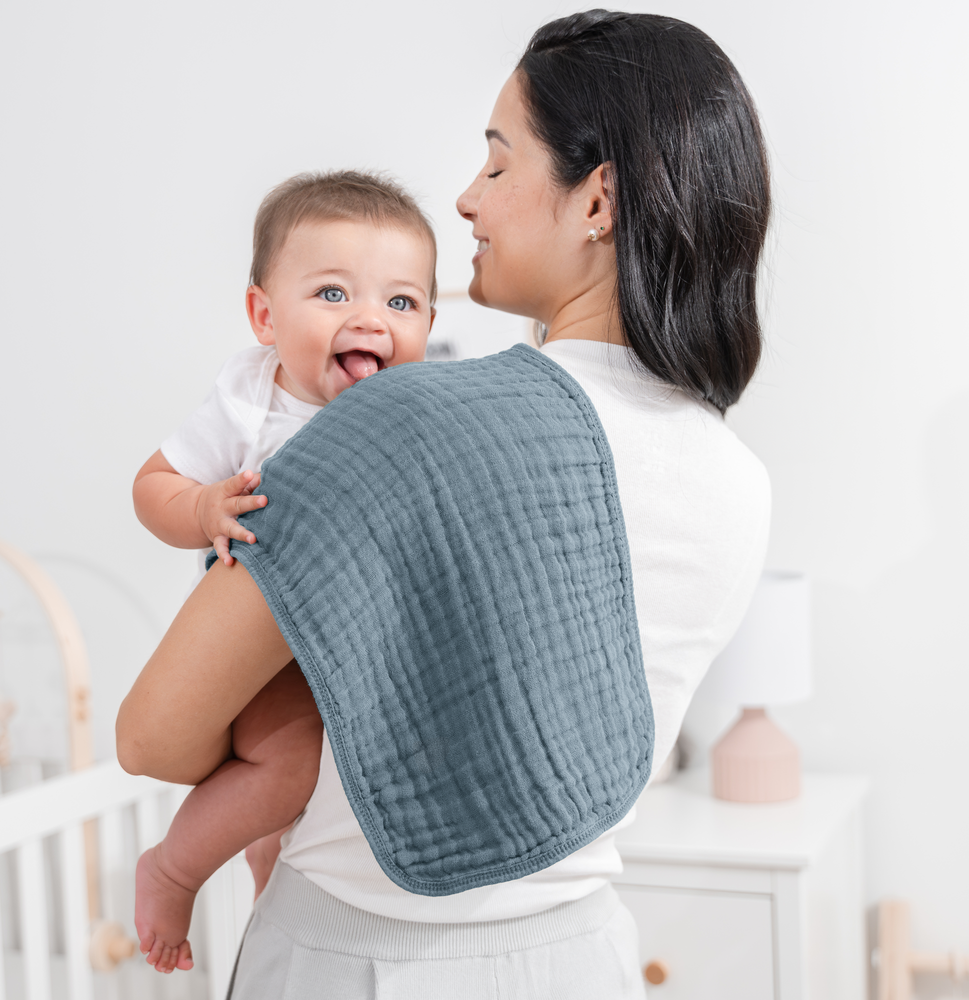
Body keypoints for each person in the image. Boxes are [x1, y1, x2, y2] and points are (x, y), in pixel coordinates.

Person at [117, 11, 772, 998]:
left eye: (499, 164)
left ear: (597, 200)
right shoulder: (738, 479)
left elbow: (152, 735)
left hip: (356, 959)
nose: (466, 198)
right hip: (581, 958)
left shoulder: (399, 421)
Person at [128, 170, 437, 972]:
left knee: (308, 814)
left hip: (359, 644)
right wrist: (203, 507)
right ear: (265, 316)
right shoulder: (252, 403)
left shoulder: (417, 409)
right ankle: (173, 870)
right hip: (271, 644)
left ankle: (270, 890)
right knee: (286, 770)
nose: (370, 318)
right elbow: (152, 486)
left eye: (401, 302)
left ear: (431, 324)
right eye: (333, 293)